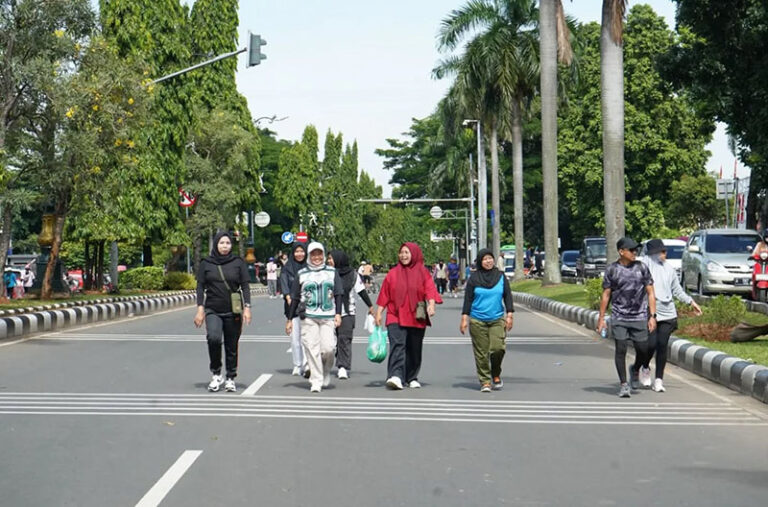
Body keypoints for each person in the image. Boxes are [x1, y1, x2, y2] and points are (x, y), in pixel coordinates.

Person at [636, 239, 702, 392]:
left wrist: (691, 302)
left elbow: (677, 290)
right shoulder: (642, 267)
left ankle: (659, 379)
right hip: (649, 311)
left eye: (665, 251)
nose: (664, 254)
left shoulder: (669, 269)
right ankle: (645, 367)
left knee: (662, 345)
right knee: (651, 344)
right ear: (653, 253)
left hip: (667, 312)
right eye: (661, 251)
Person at [375, 242, 442, 390]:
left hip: (416, 316)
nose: (403, 256)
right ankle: (396, 376)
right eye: (401, 253)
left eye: (407, 253)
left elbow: (429, 289)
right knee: (397, 346)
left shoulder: (422, 272)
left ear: (414, 254)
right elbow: (384, 294)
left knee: (414, 348)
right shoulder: (393, 273)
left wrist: (431, 304)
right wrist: (379, 312)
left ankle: (411, 376)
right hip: (395, 315)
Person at [597, 237, 657, 398]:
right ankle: (624, 384)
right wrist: (601, 318)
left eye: (636, 250)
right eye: (631, 250)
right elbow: (606, 295)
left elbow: (651, 293)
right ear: (621, 251)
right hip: (619, 316)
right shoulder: (612, 270)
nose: (634, 253)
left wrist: (652, 316)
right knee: (621, 348)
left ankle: (635, 368)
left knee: (644, 349)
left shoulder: (642, 268)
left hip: (639, 316)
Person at [194, 231, 252, 393]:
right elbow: (200, 287)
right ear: (216, 245)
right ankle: (216, 373)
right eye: (221, 243)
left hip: (233, 310)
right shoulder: (207, 263)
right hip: (212, 308)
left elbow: (245, 286)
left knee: (231, 345)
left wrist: (247, 307)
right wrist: (200, 309)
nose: (225, 246)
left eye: (227, 243)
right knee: (213, 338)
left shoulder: (238, 262)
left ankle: (230, 377)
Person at [286, 242, 343, 393]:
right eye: (313, 254)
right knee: (312, 349)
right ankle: (316, 380)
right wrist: (290, 319)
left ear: (323, 255)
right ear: (309, 256)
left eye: (319, 254)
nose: (316, 257)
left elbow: (338, 293)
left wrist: (338, 313)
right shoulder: (302, 273)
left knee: (328, 349)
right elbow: (295, 297)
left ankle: (325, 371)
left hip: (327, 316)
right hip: (308, 317)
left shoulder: (332, 272)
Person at [460, 249, 514, 392]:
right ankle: (485, 381)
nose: (488, 261)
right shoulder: (474, 278)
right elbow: (468, 300)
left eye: (490, 258)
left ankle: (495, 373)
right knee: (481, 353)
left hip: (496, 319)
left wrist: (509, 315)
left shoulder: (501, 277)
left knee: (498, 349)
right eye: (485, 259)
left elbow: (508, 296)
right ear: (479, 262)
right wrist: (464, 319)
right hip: (477, 320)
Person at [328, 250, 374, 379]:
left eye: (331, 259)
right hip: (328, 312)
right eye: (329, 259)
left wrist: (370, 306)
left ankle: (343, 367)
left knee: (344, 339)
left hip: (347, 312)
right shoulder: (327, 274)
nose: (329, 261)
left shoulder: (353, 275)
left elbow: (361, 292)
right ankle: (331, 360)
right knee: (330, 342)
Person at [280, 243, 308, 376]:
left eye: (302, 251)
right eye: (297, 251)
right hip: (292, 307)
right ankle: (297, 364)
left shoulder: (310, 267)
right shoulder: (287, 268)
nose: (299, 254)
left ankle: (308, 364)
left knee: (308, 338)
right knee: (295, 338)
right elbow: (284, 283)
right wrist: (288, 297)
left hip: (309, 307)